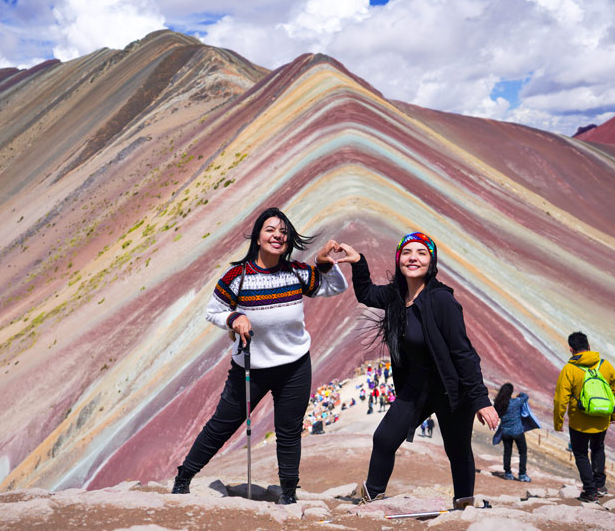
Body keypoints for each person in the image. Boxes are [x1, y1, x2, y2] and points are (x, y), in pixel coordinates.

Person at [170, 207, 348, 503]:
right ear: (257, 236)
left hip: (295, 367)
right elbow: (213, 312)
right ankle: (183, 477)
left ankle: (289, 495)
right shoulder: (236, 277)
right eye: (270, 230)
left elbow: (334, 287)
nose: (277, 236)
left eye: (283, 232)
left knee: (289, 432)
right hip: (250, 367)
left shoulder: (297, 272)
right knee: (222, 425)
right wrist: (234, 318)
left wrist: (322, 262)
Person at [337, 232, 499, 510]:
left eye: (422, 253)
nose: (414, 258)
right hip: (416, 387)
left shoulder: (442, 300)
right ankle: (372, 498)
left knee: (457, 450)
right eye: (408, 252)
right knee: (384, 438)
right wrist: (358, 261)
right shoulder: (396, 295)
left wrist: (481, 400)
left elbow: (464, 353)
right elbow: (366, 293)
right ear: (399, 258)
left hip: (451, 389)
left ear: (432, 261)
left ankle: (464, 506)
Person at [554, 331, 615, 502]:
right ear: (589, 346)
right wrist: (614, 414)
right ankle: (600, 485)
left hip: (579, 422)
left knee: (581, 454)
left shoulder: (569, 369)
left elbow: (560, 399)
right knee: (598, 449)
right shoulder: (605, 365)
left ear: (571, 349)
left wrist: (558, 422)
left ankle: (590, 491)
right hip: (602, 419)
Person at [493, 383, 531, 482]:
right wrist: (520, 394)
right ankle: (522, 475)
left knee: (507, 452)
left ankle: (507, 473)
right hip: (517, 431)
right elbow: (526, 396)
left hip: (505, 432)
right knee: (522, 452)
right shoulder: (515, 402)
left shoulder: (498, 404)